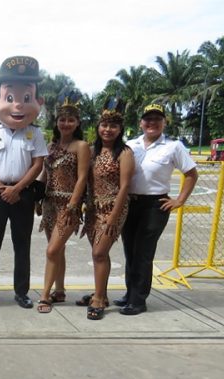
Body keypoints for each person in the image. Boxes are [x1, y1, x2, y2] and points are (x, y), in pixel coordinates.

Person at [0, 55, 48, 308]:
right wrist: (1, 188)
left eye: (26, 99)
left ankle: (21, 292)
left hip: (23, 194)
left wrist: (17, 189)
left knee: (22, 245)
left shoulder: (35, 133)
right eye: (9, 98)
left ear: (38, 102)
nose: (17, 106)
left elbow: (38, 164)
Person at [118, 103, 198, 315]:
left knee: (143, 252)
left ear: (164, 122)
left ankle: (138, 300)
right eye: (148, 119)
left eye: (157, 119)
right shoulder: (130, 145)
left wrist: (179, 200)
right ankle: (129, 293)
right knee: (130, 251)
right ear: (141, 122)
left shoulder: (173, 146)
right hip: (130, 203)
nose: (152, 123)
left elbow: (191, 174)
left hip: (155, 205)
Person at [36, 89, 90, 313]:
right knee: (58, 251)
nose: (65, 123)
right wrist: (37, 199)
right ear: (56, 122)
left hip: (69, 206)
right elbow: (44, 174)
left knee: (51, 250)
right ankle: (60, 290)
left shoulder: (82, 146)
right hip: (49, 204)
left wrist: (73, 205)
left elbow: (83, 177)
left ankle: (45, 296)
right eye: (62, 119)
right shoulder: (50, 147)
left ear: (77, 123)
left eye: (70, 120)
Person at [80, 99, 134, 320]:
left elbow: (125, 187)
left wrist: (113, 218)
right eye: (104, 124)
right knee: (99, 255)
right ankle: (100, 291)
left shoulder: (124, 153)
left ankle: (99, 299)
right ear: (98, 126)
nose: (108, 129)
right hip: (93, 209)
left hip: (114, 208)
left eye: (113, 126)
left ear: (120, 129)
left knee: (99, 253)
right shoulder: (92, 150)